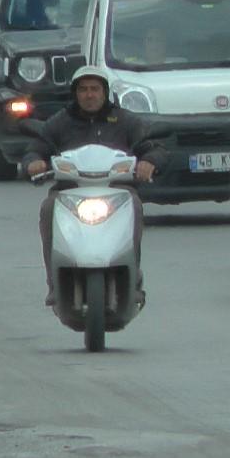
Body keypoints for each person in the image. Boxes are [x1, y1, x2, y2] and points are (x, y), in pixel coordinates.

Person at [24, 68, 166, 307]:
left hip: (118, 191)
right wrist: (33, 162)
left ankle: (133, 278)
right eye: (83, 90)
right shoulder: (60, 122)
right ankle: (54, 283)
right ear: (75, 93)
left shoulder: (125, 121)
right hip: (68, 192)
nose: (89, 95)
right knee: (48, 208)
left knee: (135, 205)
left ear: (105, 92)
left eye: (95, 89)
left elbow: (153, 148)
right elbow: (36, 148)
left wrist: (149, 162)